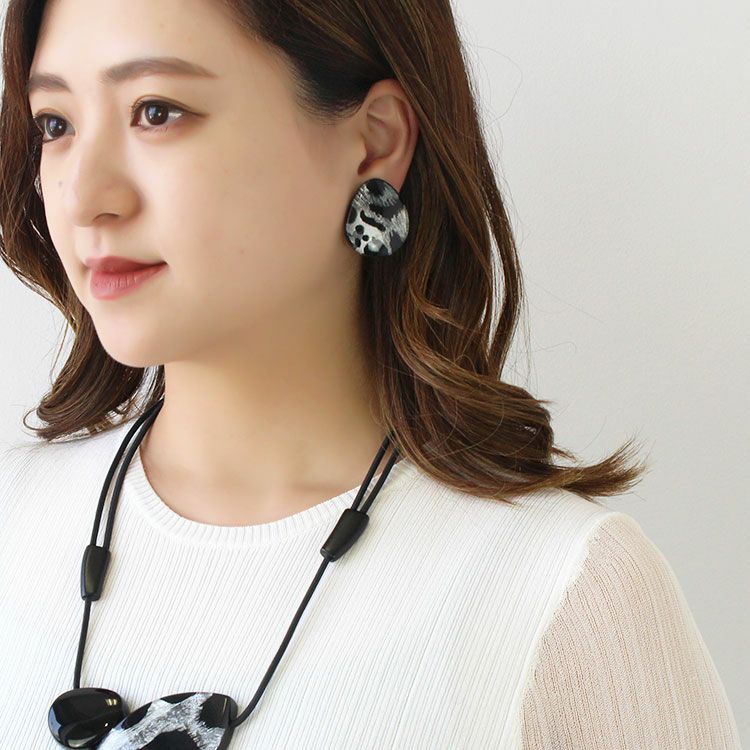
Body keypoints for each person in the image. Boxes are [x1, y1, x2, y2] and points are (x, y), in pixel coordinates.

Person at [0, 0, 740, 747]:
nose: (84, 197)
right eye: (55, 125)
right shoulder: (13, 521)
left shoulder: (560, 593)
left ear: (373, 142)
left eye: (157, 112)